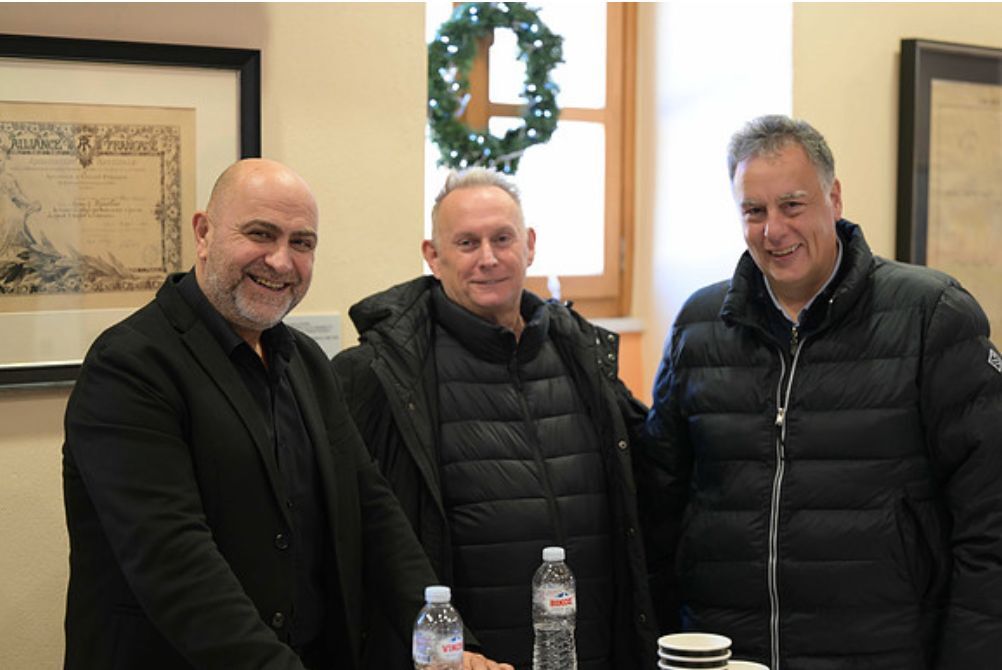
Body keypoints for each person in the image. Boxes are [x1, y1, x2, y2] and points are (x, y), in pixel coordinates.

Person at [62, 158, 512, 670]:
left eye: (302, 243)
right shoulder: (130, 366)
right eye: (260, 234)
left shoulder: (306, 361)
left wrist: (449, 645)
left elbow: (372, 511)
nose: (281, 261)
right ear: (203, 233)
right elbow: (174, 562)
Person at [644, 115, 1002, 669]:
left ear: (834, 199)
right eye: (753, 211)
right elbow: (660, 509)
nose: (773, 230)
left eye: (792, 205)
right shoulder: (699, 326)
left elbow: (990, 520)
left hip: (886, 651)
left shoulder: (932, 316)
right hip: (730, 653)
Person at [332, 167, 659, 670]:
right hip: (463, 661)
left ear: (529, 245)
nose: (488, 258)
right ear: (433, 256)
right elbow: (366, 540)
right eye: (466, 243)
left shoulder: (582, 355)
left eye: (502, 238)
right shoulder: (383, 376)